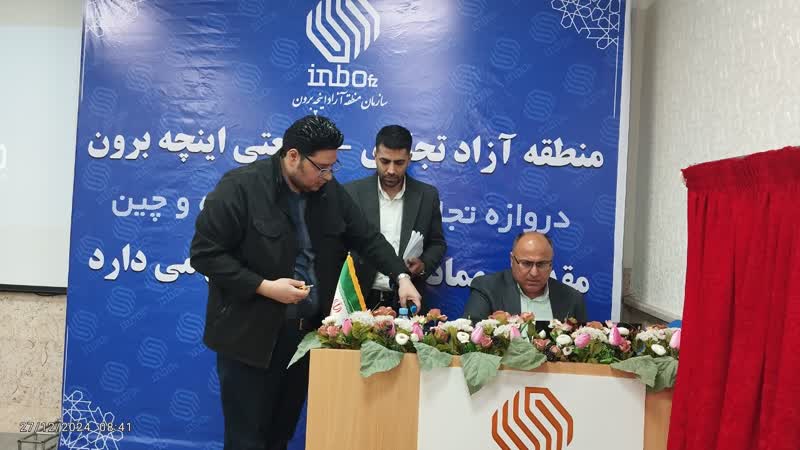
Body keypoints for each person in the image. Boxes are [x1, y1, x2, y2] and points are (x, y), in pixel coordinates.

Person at [190, 115, 421, 450]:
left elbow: (368, 238)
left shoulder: (328, 192)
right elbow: (205, 254)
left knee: (280, 437)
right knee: (247, 440)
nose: (328, 176)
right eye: (321, 168)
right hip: (250, 337)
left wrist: (401, 276)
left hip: (304, 338)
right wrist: (264, 286)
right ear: (293, 156)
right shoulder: (240, 187)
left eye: (332, 167)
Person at [344, 125, 446, 310]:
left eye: (399, 163)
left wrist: (423, 265)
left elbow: (437, 243)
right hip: (358, 296)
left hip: (406, 299)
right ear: (375, 155)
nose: (391, 170)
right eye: (385, 161)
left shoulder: (427, 196)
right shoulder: (352, 193)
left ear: (409, 159)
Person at [463, 231, 586, 322]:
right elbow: (471, 337)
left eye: (541, 264)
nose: (534, 273)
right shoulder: (487, 289)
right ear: (512, 260)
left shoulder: (572, 299)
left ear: (551, 264)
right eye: (526, 263)